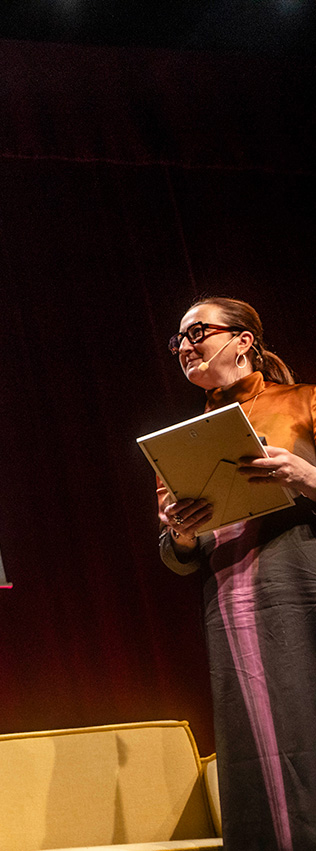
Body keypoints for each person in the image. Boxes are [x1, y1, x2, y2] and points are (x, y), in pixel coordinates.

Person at [157, 297, 316, 851]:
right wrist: (178, 531)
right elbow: (181, 555)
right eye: (177, 339)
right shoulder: (189, 438)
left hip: (303, 588)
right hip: (233, 607)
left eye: (198, 331)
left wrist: (303, 473)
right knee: (256, 749)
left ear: (244, 341)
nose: (185, 346)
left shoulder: (305, 401)